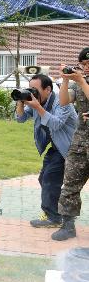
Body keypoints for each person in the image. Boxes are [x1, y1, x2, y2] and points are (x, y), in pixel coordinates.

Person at [14, 74, 78, 229]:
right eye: (30, 89)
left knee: (50, 179)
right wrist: (21, 102)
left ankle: (54, 218)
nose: (32, 92)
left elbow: (56, 124)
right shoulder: (37, 101)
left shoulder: (62, 102)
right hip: (55, 147)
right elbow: (20, 119)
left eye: (34, 89)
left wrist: (38, 107)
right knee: (44, 179)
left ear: (48, 89)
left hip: (70, 148)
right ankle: (58, 212)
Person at [52, 49, 89, 241]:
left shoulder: (83, 82)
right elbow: (64, 101)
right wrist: (66, 80)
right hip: (81, 141)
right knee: (70, 183)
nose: (86, 67)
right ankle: (68, 225)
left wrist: (82, 80)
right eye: (84, 64)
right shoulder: (79, 83)